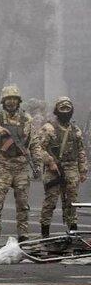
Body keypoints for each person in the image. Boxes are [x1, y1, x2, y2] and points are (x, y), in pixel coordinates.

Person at [0, 85, 42, 246]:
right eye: (8, 99)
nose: (11, 102)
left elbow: (34, 143)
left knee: (23, 204)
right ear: (3, 101)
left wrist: (38, 164)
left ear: (19, 101)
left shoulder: (27, 119)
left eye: (14, 99)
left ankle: (23, 236)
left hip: (21, 166)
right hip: (2, 166)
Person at [37, 96, 88, 237]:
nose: (65, 112)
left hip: (71, 168)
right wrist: (50, 162)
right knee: (50, 201)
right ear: (56, 110)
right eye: (62, 108)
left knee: (72, 202)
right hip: (54, 170)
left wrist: (83, 170)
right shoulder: (48, 128)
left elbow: (81, 151)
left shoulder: (75, 130)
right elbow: (37, 148)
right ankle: (45, 232)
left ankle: (73, 231)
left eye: (68, 108)